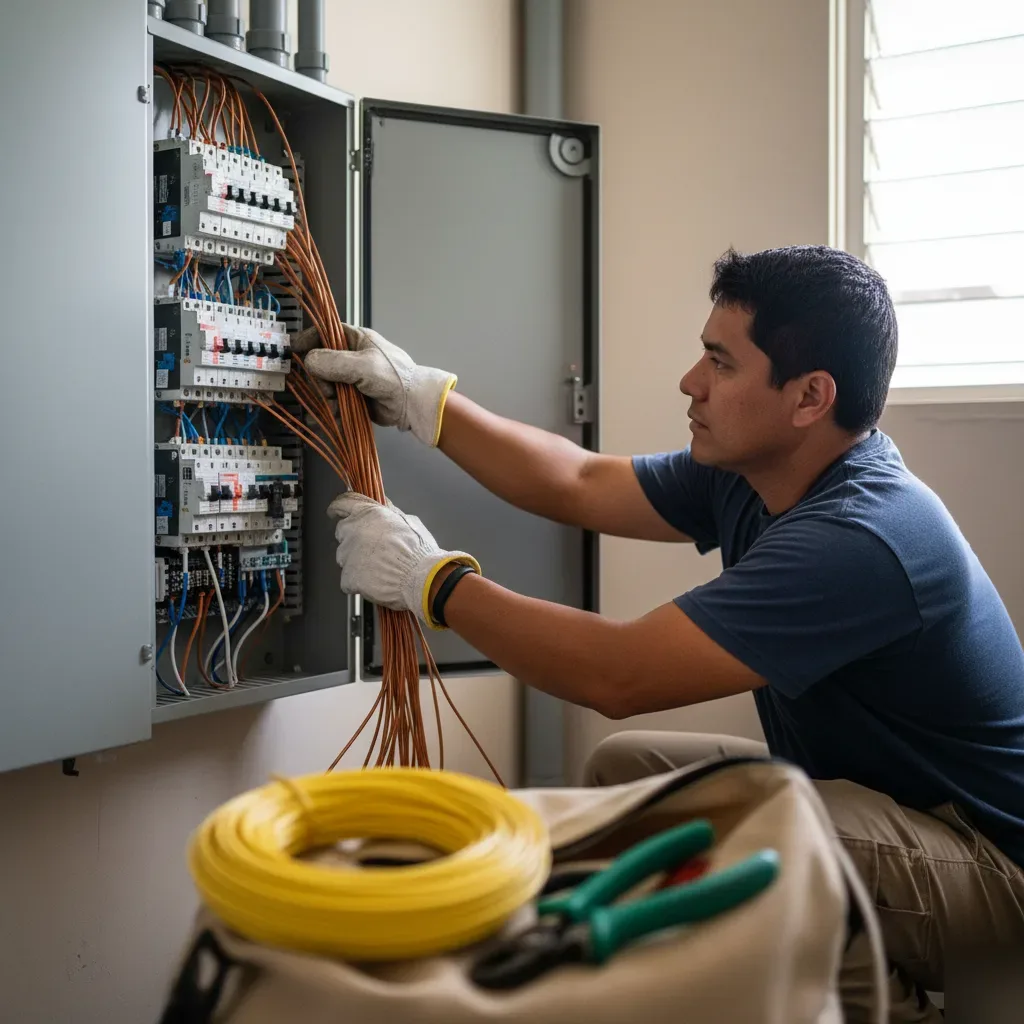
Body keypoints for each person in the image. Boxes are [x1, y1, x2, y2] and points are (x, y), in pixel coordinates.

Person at [299, 245, 1024, 1021]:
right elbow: (578, 481)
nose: (691, 381)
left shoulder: (861, 537)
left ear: (810, 397)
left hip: (990, 866)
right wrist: (423, 400)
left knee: (781, 847)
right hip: (885, 809)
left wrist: (432, 582)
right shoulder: (758, 473)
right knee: (627, 775)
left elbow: (621, 675)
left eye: (721, 362)